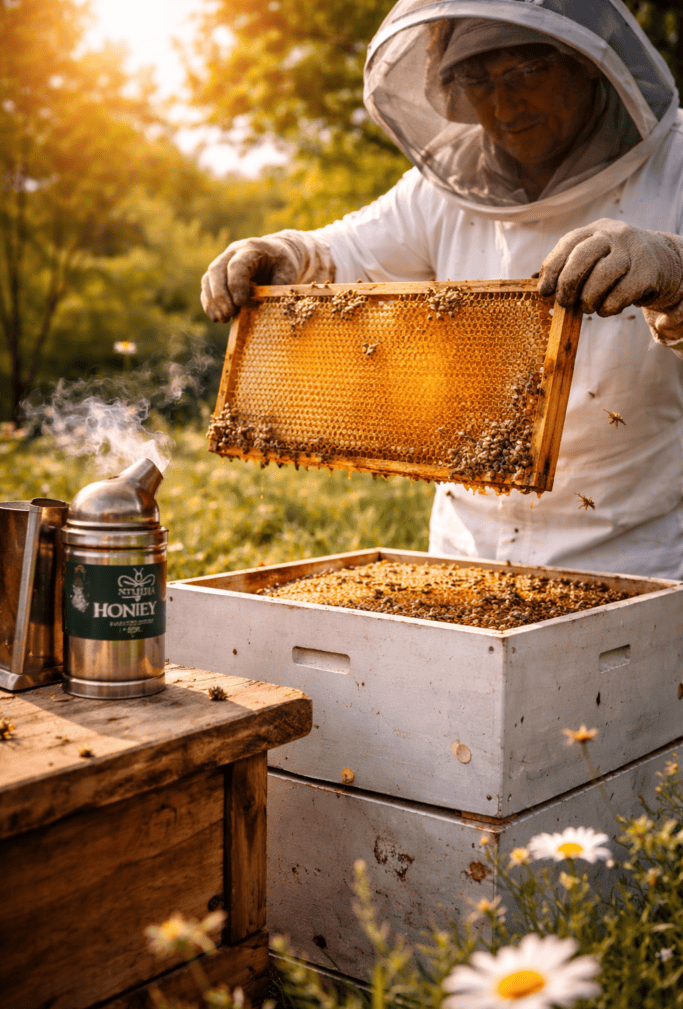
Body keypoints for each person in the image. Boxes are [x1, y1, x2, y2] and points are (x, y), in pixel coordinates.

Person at [201, 0, 683, 579]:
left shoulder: (674, 165)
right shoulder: (449, 182)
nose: (504, 105)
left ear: (586, 61)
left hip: (636, 565)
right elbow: (348, 254)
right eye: (478, 80)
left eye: (526, 72)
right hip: (463, 561)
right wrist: (284, 254)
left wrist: (675, 269)